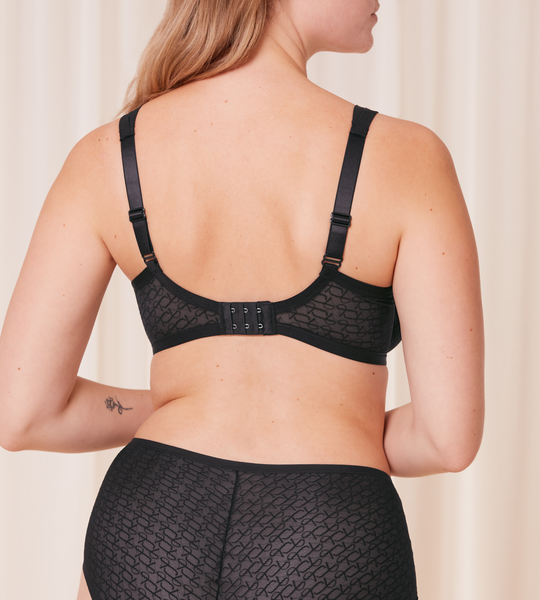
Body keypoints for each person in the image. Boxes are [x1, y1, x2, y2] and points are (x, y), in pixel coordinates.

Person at [0, 0, 484, 598]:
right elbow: (446, 438)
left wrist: (179, 407)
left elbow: (25, 413)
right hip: (328, 533)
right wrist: (341, 424)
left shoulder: (107, 156)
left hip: (151, 522)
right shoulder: (407, 156)